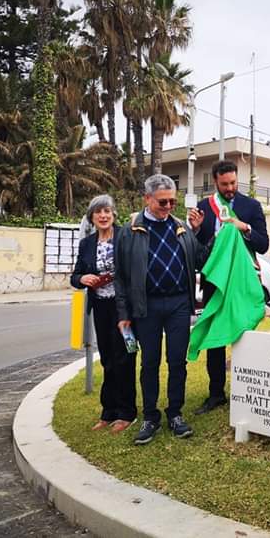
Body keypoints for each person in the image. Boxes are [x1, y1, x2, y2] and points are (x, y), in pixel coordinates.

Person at [114, 175, 207, 445]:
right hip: (147, 307)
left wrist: (199, 232)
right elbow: (120, 277)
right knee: (149, 363)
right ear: (147, 199)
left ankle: (175, 413)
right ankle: (150, 416)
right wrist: (123, 316)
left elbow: (200, 259)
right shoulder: (129, 230)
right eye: (162, 201)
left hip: (179, 303)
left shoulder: (181, 227)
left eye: (172, 201)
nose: (168, 206)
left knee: (178, 361)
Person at [188, 159, 269, 415]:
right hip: (216, 282)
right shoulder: (204, 207)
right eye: (225, 184)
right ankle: (215, 394)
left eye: (233, 182)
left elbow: (263, 244)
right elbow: (200, 249)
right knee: (215, 340)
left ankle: (247, 390)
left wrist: (243, 227)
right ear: (215, 183)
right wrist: (197, 229)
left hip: (243, 282)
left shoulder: (251, 206)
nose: (230, 188)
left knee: (244, 335)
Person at [71, 195, 137, 434]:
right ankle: (108, 411)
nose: (103, 216)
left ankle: (127, 412)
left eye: (107, 211)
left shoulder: (125, 236)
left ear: (113, 214)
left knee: (126, 357)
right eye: (98, 212)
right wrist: (82, 278)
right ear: (92, 217)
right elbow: (75, 275)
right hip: (101, 307)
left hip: (124, 310)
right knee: (108, 359)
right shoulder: (87, 244)